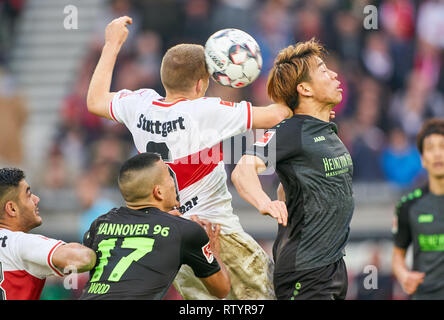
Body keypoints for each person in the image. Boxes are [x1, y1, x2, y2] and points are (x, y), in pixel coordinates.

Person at [86, 16, 295, 300]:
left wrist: (112, 44)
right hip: (218, 233)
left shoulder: (140, 103)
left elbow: (95, 101)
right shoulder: (206, 110)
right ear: (201, 84)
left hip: (174, 240)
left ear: (164, 76)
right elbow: (278, 114)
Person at [231, 39, 354, 300]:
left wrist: (284, 194)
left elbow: (292, 183)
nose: (333, 74)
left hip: (333, 266)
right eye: (323, 70)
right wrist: (265, 202)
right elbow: (243, 169)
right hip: (305, 272)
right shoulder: (290, 131)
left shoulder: (325, 129)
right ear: (304, 89)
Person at [79, 152, 230, 300]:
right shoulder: (185, 231)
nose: (174, 181)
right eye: (170, 176)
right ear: (158, 192)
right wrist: (214, 251)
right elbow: (221, 290)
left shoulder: (100, 224)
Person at [0, 168, 96, 300]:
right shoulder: (20, 243)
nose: (36, 199)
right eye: (28, 195)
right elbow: (82, 258)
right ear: (12, 208)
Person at [392, 119, 444, 299]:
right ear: (422, 159)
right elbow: (398, 256)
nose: (438, 154)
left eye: (442, 146)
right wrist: (404, 275)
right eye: (430, 148)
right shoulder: (409, 206)